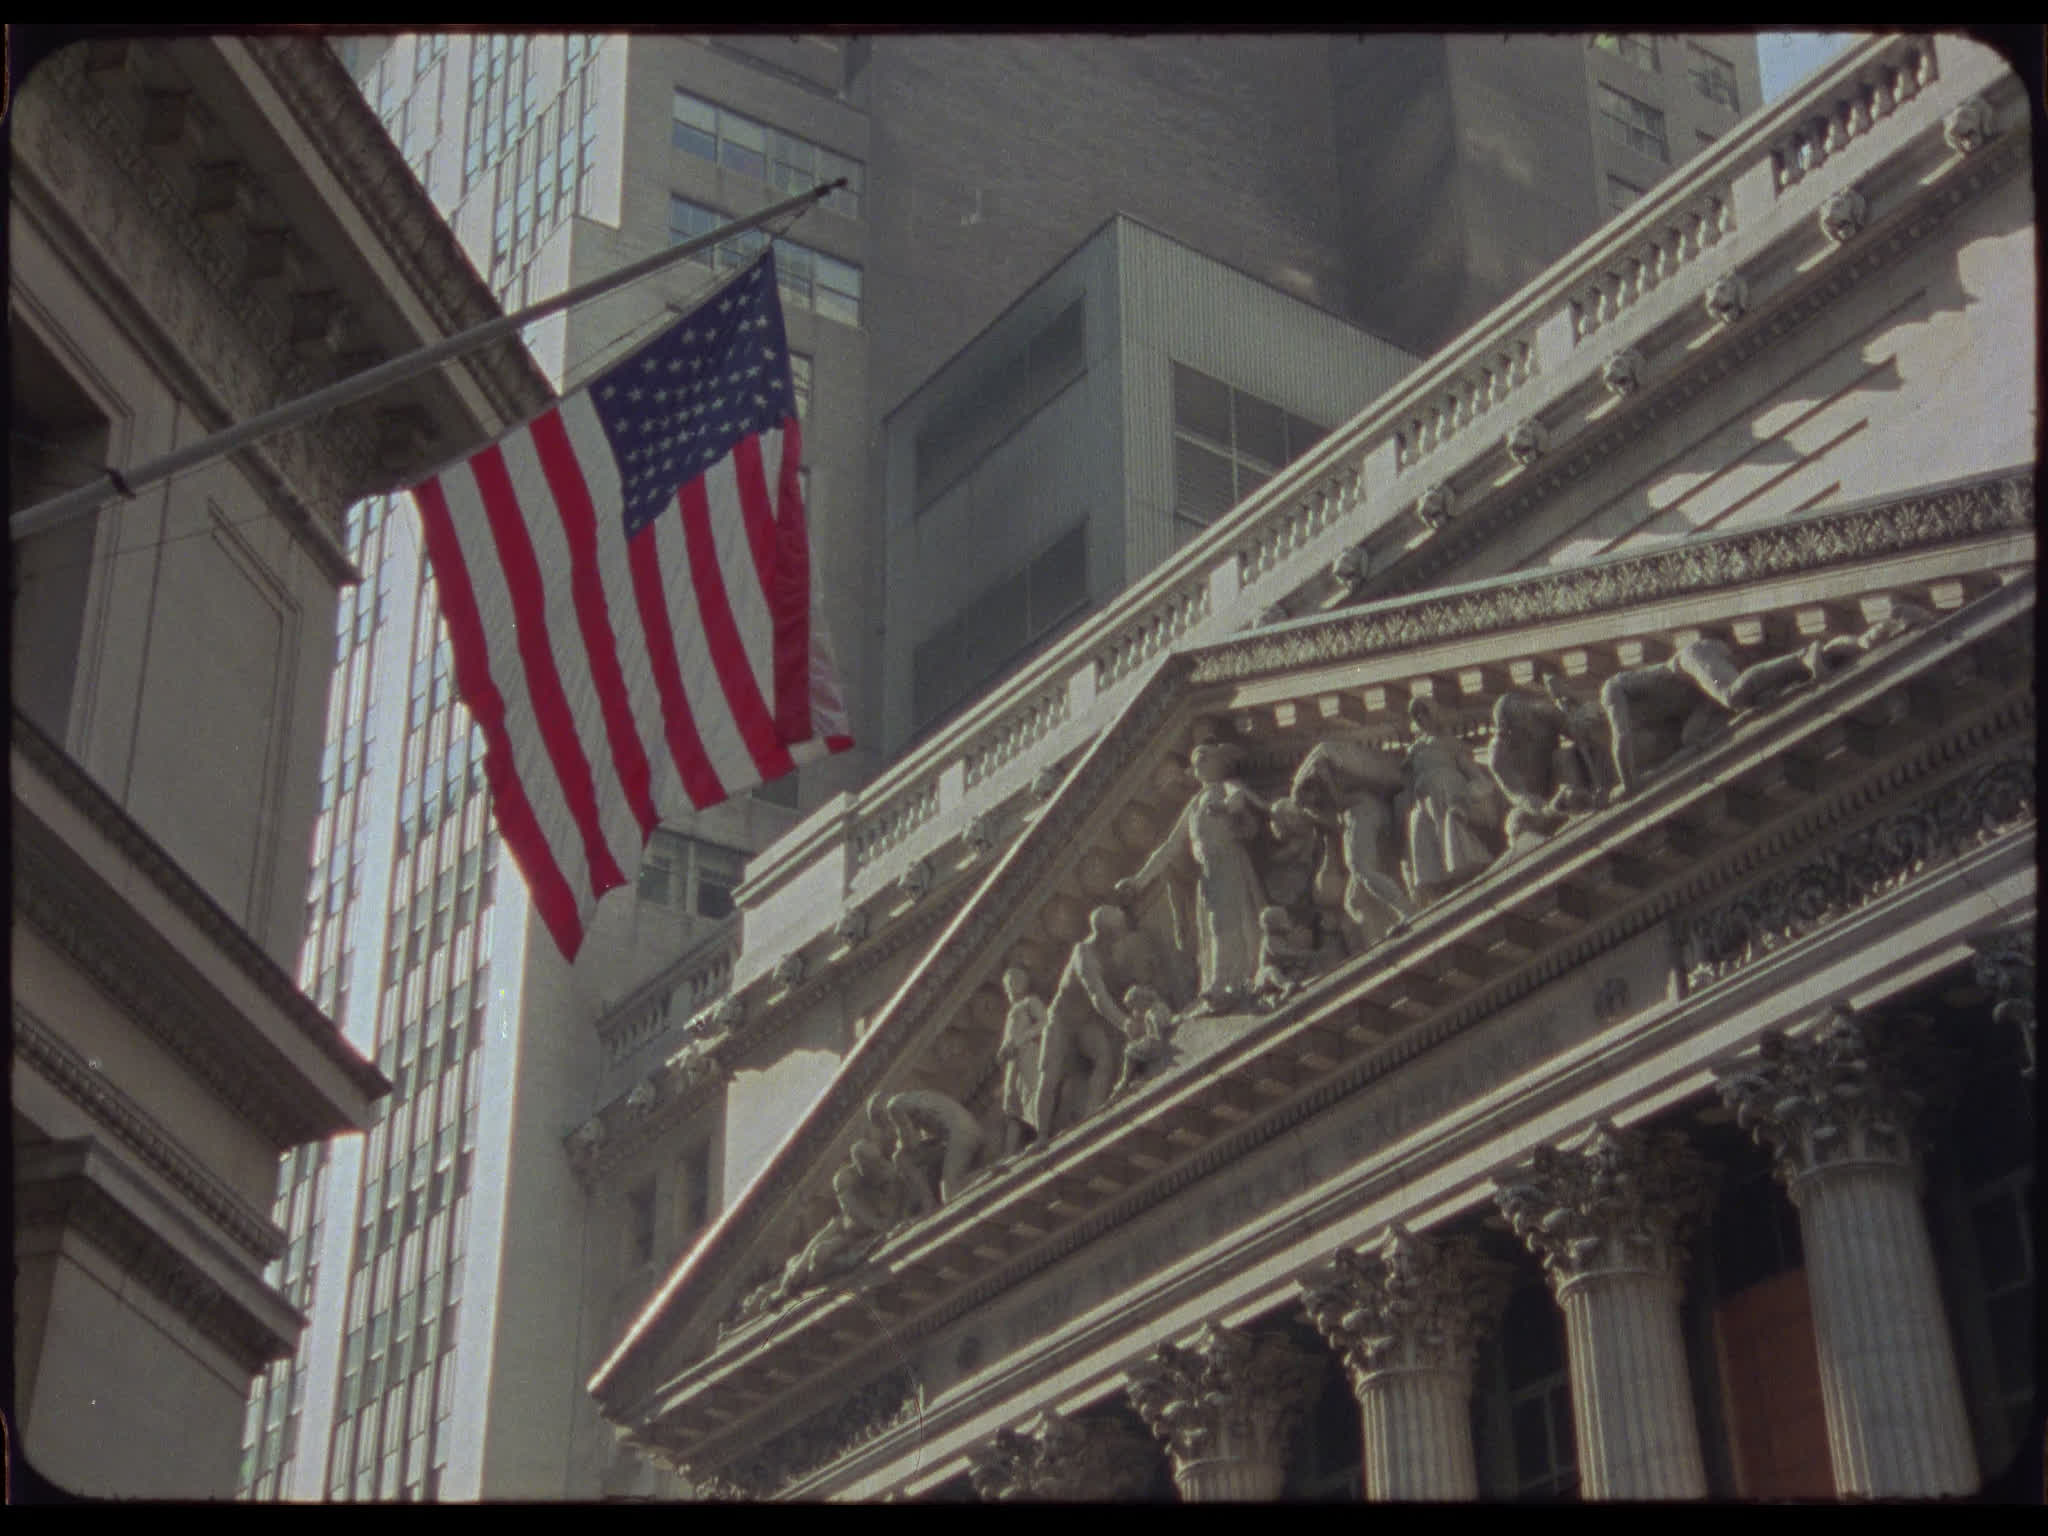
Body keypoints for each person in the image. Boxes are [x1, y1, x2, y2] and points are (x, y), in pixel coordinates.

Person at [1117, 743, 1268, 1012]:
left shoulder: (1226, 787)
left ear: (1218, 763)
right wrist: (1138, 881)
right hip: (1209, 872)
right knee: (1212, 925)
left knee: (1225, 921)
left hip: (1227, 861)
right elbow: (1169, 847)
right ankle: (1219, 979)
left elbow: (1239, 801)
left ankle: (1225, 981)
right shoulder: (1195, 803)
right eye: (1196, 762)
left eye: (1203, 759)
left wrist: (1223, 809)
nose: (1198, 766)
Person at [1400, 696, 1504, 903]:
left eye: (1424, 712)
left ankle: (1464, 876)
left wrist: (1468, 797)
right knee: (1427, 839)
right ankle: (1439, 887)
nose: (1420, 717)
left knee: (1453, 834)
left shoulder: (1449, 744)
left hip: (1449, 793)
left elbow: (1478, 778)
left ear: (1433, 714)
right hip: (1425, 801)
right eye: (1416, 714)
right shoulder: (1413, 752)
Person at [996, 968, 1048, 1156]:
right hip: (1013, 1060)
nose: (1010, 987)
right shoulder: (1012, 1010)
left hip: (1028, 1052)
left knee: (1032, 1090)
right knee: (1011, 1102)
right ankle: (1009, 1154)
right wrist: (1004, 1049)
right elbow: (1009, 1036)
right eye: (1007, 984)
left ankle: (1042, 1133)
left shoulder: (1030, 1002)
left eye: (1013, 981)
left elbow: (1045, 1022)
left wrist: (1020, 1040)